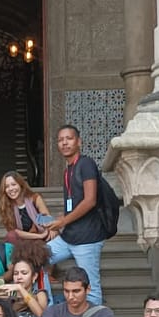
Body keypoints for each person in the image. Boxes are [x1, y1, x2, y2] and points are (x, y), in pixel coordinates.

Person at [45, 124, 108, 305]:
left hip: (88, 238)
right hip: (68, 237)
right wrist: (62, 219)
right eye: (60, 140)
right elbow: (74, 204)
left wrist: (63, 221)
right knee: (36, 259)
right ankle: (48, 306)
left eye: (69, 138)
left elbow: (90, 200)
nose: (64, 143)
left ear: (78, 142)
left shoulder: (86, 164)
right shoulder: (68, 170)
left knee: (91, 288)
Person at [0, 171, 51, 247]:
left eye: (13, 184)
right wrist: (39, 236)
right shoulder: (6, 206)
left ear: (21, 185)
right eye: (7, 186)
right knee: (11, 236)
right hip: (24, 239)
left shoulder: (35, 199)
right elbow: (15, 231)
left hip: (41, 237)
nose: (11, 189)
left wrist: (44, 234)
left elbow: (47, 220)